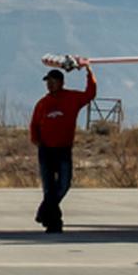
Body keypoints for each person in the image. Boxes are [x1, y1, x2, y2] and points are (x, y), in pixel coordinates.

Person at [29, 65, 96, 233]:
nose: (50, 85)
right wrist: (36, 140)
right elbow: (34, 124)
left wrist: (89, 72)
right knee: (49, 187)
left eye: (53, 81)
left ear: (61, 82)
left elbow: (90, 94)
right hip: (46, 150)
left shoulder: (71, 98)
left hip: (63, 149)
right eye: (48, 82)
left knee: (64, 184)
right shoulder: (42, 103)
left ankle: (44, 211)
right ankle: (53, 222)